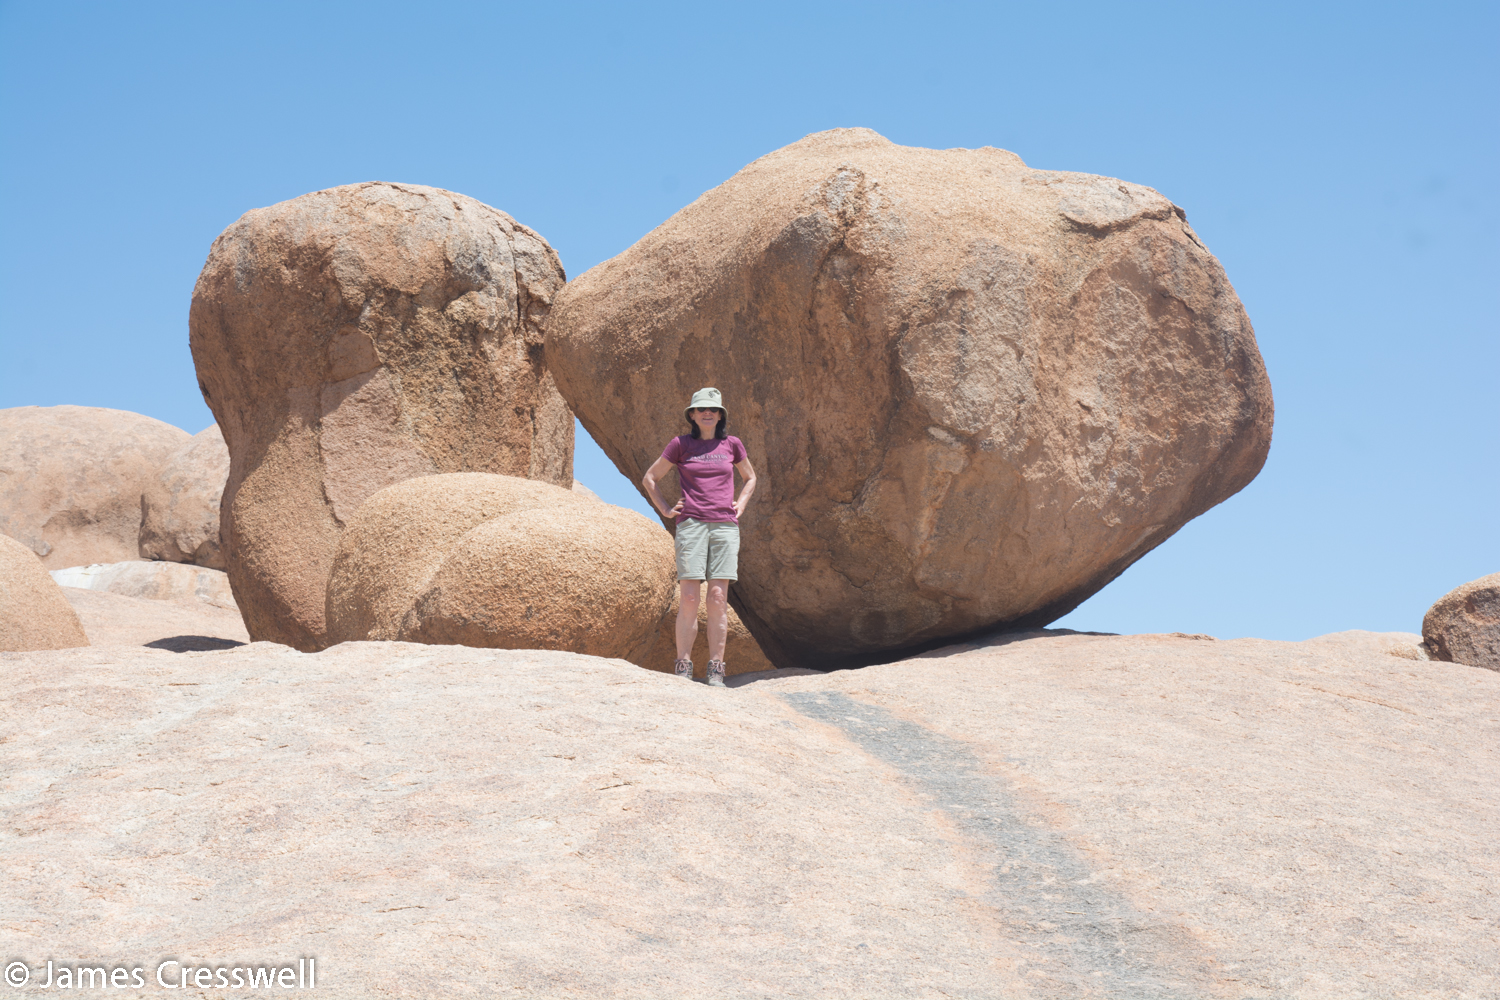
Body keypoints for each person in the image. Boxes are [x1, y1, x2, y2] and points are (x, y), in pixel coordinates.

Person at [642, 387, 757, 687]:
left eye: (714, 409)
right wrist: (667, 509)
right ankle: (683, 665)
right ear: (692, 415)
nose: (708, 413)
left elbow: (750, 477)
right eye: (702, 409)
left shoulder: (732, 444)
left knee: (718, 597)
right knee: (690, 597)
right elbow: (650, 478)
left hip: (724, 526)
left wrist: (740, 504)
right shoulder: (680, 445)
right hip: (691, 525)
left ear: (720, 416)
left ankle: (716, 668)